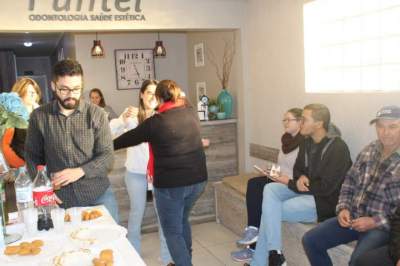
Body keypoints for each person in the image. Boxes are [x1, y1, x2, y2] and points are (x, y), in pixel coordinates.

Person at [114, 80, 207, 266]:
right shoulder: (190, 112)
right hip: (198, 181)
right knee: (181, 220)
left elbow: (125, 140)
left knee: (172, 231)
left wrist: (104, 147)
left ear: (158, 98)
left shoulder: (155, 123)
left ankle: (182, 262)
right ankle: (185, 258)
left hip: (172, 186)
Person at [250, 103, 352, 266]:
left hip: (323, 202)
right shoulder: (306, 142)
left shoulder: (338, 148)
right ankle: (275, 253)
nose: (300, 123)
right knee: (270, 188)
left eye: (304, 119)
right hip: (304, 192)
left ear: (318, 124)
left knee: (270, 211)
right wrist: (300, 177)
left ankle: (261, 262)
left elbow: (326, 188)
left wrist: (291, 182)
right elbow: (298, 170)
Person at [302, 105, 400, 266]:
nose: (385, 132)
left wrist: (374, 222)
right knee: (310, 240)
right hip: (353, 217)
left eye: (393, 127)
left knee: (357, 261)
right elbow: (349, 182)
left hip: (381, 227)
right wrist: (343, 208)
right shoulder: (370, 149)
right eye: (380, 126)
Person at [25, 59, 119, 222]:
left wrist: (80, 171)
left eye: (76, 89)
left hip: (98, 196)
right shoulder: (39, 117)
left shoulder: (96, 114)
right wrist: (44, 189)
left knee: (111, 245)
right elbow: (32, 157)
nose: (71, 95)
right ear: (53, 86)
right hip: (60, 201)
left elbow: (107, 156)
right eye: (64, 89)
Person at [109, 80, 174, 265]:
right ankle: (133, 254)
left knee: (162, 214)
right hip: (136, 174)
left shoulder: (163, 116)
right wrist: (122, 119)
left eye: (156, 93)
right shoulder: (132, 116)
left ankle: (167, 256)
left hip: (158, 174)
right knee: (137, 212)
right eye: (149, 93)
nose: (152, 97)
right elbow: (109, 131)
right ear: (141, 95)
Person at [231, 108, 303, 262]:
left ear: (300, 122)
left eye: (288, 120)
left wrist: (279, 176)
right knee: (254, 183)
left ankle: (253, 244)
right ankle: (252, 233)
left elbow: (299, 173)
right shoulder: (286, 140)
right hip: (279, 178)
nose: (285, 123)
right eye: (284, 120)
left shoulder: (305, 144)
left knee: (259, 190)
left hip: (290, 183)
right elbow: (282, 165)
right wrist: (270, 171)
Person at [2, 77, 41, 168]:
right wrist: (23, 166)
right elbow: (6, 147)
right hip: (22, 169)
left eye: (35, 92)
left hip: (43, 167)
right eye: (30, 92)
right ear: (20, 93)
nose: (34, 95)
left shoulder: (42, 115)